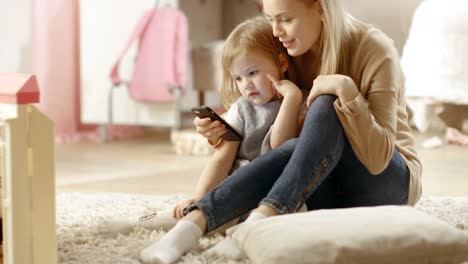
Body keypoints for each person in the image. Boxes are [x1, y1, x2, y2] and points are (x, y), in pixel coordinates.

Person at [139, 0, 422, 263]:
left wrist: (347, 92)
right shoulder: (286, 50)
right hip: (319, 188)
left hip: (384, 188)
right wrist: (223, 135)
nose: (277, 31)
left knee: (326, 102)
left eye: (285, 19)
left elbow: (379, 159)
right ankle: (189, 227)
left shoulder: (374, 48)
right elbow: (281, 143)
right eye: (271, 19)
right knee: (294, 148)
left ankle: (258, 222)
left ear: (321, 9)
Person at [100, 15, 304, 237]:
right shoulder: (241, 109)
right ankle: (139, 223)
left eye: (252, 73)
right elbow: (221, 158)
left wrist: (291, 98)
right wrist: (200, 196)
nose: (247, 85)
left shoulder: (299, 103)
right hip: (235, 188)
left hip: (272, 194)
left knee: (288, 217)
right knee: (195, 213)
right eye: (238, 78)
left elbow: (281, 147)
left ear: (282, 63)